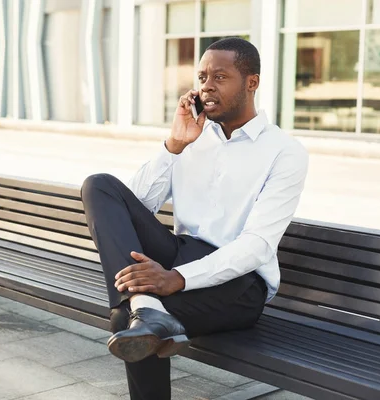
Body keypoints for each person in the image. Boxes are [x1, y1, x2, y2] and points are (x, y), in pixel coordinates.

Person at [80, 37, 309, 400]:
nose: (207, 86)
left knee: (126, 321)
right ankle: (145, 306)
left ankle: (140, 309)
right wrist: (174, 145)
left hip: (240, 284)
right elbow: (129, 208)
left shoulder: (284, 152)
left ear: (252, 82)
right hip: (181, 252)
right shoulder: (193, 137)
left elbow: (255, 247)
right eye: (202, 76)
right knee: (100, 186)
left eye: (220, 76)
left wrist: (177, 279)